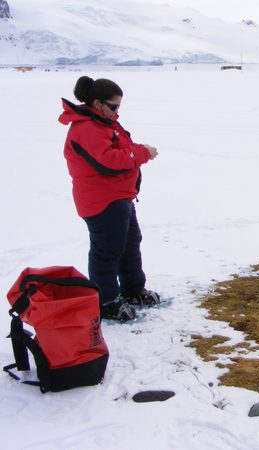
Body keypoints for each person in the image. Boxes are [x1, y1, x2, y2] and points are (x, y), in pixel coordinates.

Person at [59, 76, 160, 322]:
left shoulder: (104, 123)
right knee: (107, 251)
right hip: (101, 201)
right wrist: (142, 153)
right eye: (113, 106)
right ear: (96, 103)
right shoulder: (86, 129)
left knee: (129, 243)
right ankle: (106, 302)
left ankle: (133, 290)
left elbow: (123, 148)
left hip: (119, 197)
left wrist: (137, 150)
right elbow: (111, 162)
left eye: (119, 107)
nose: (117, 111)